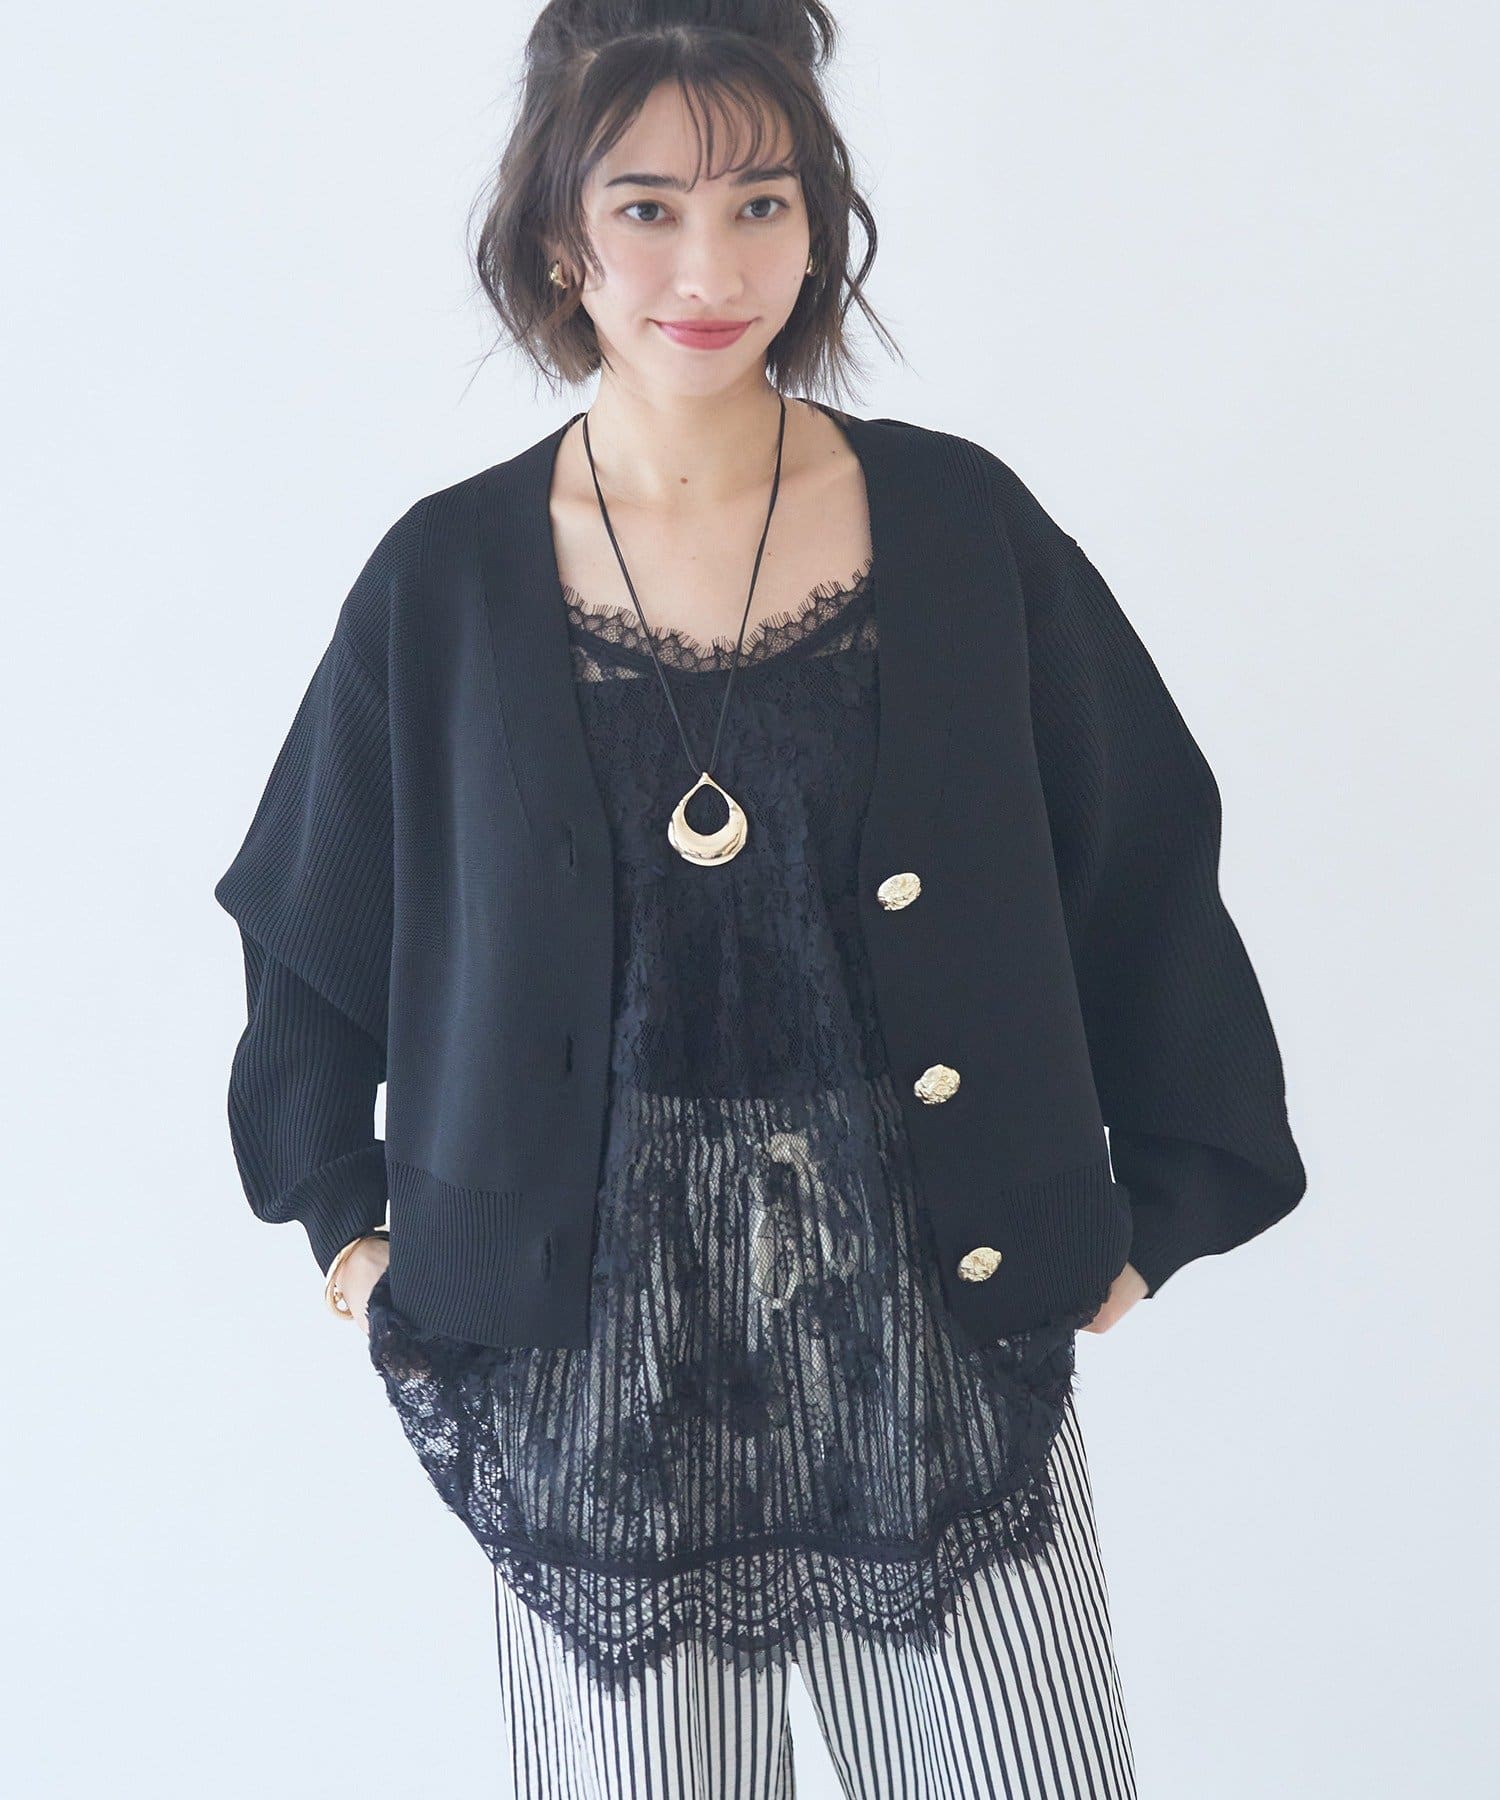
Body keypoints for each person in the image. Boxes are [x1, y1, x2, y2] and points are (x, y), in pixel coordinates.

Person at [213, 4, 1306, 1795]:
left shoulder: (961, 528)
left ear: (821, 226)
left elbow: (1140, 853)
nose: (709, 270)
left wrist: (1169, 1189)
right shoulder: (446, 582)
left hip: (925, 1309)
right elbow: (314, 914)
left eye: (761, 204)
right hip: (594, 1357)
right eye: (646, 208)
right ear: (559, 237)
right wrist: (341, 1213)